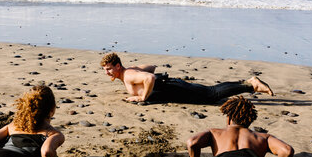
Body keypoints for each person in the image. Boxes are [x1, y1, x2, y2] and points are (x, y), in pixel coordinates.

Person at [100, 53, 273, 104]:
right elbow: (152, 67)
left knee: (211, 94)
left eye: (109, 69)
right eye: (105, 70)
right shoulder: (129, 71)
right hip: (171, 86)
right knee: (210, 93)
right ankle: (248, 84)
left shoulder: (128, 74)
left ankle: (251, 85)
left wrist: (142, 97)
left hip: (172, 88)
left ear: (117, 66)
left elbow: (150, 77)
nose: (107, 73)